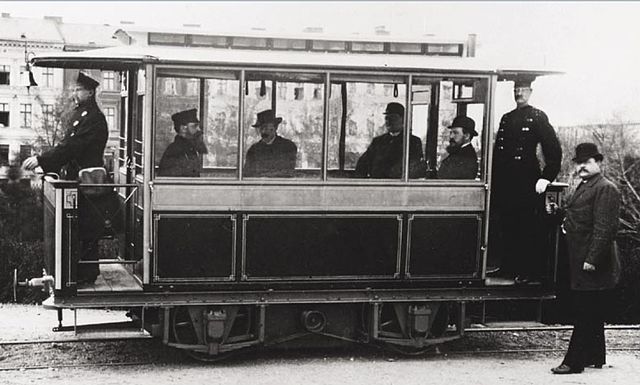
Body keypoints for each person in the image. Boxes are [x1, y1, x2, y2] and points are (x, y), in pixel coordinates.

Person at [22, 72, 108, 284]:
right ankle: (80, 273)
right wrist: (48, 163)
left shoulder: (94, 118)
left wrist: (42, 159)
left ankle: (87, 274)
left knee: (86, 226)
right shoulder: (82, 114)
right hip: (78, 178)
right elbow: (67, 146)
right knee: (79, 226)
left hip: (88, 181)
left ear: (90, 92)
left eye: (79, 90)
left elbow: (72, 146)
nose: (75, 93)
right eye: (74, 89)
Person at [547, 143, 621, 374]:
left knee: (585, 310)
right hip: (582, 257)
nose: (582, 167)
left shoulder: (605, 188)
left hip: (592, 260)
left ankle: (574, 362)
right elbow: (580, 216)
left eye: (587, 162)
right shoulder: (587, 186)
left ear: (598, 163)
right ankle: (595, 356)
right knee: (593, 309)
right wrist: (560, 214)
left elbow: (604, 228)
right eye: (579, 163)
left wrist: (592, 259)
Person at [488, 76, 562, 283]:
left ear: (530, 92)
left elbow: (553, 151)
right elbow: (498, 154)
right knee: (507, 225)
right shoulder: (506, 117)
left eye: (523, 89)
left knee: (526, 227)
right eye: (516, 89)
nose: (519, 93)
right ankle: (508, 267)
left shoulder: (537, 116)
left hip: (526, 181)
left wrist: (546, 177)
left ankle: (528, 271)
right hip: (505, 182)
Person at [355, 102, 425, 179]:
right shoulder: (378, 142)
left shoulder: (412, 142)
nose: (388, 121)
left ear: (403, 119)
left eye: (393, 118)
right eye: (387, 118)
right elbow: (362, 165)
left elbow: (414, 168)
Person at [243, 109, 297, 177]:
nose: (263, 131)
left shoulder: (288, 147)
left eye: (265, 127)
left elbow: (287, 171)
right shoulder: (254, 150)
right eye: (260, 128)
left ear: (275, 127)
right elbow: (247, 173)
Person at [157, 108, 208, 177]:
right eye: (195, 126)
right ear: (183, 128)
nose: (199, 130)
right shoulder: (174, 151)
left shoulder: (190, 149)